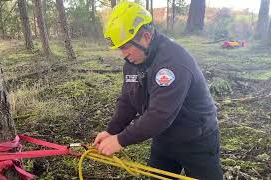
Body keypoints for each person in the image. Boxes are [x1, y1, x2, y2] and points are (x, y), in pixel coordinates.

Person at [93, 1, 223, 179]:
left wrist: (121, 140)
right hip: (164, 138)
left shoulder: (173, 62)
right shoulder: (133, 62)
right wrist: (112, 131)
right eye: (119, 49)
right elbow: (127, 100)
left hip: (196, 138)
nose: (123, 54)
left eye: (125, 47)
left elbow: (160, 114)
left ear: (146, 37)